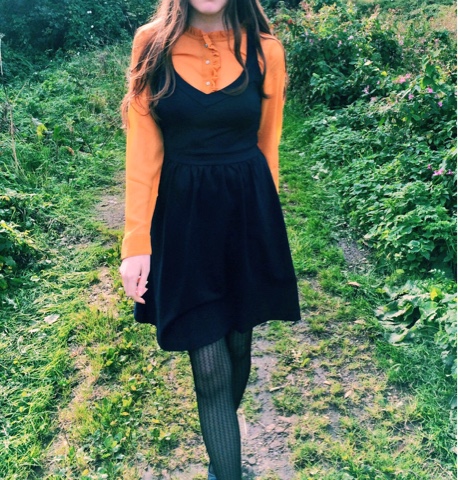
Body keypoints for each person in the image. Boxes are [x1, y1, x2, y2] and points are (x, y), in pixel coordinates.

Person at [119, 0, 301, 478]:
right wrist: (137, 242)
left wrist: (266, 227)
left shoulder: (266, 50)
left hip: (246, 217)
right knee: (210, 365)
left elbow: (268, 143)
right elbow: (142, 149)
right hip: (183, 223)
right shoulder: (151, 43)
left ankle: (223, 441)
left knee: (239, 345)